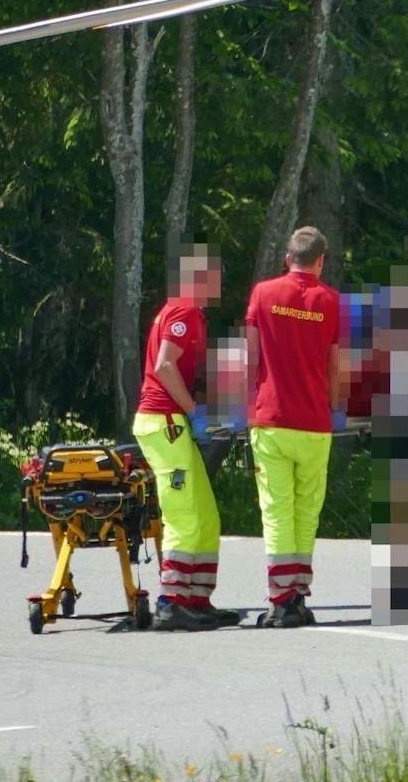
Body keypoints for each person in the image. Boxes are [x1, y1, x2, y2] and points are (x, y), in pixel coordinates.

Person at [132, 246, 239, 631]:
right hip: (165, 421)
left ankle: (196, 598)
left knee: (205, 515)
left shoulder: (187, 313)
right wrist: (193, 412)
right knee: (183, 514)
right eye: (216, 277)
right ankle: (171, 601)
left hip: (170, 420)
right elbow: (163, 365)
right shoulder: (184, 312)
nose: (220, 285)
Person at [245, 226, 342, 628]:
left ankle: (281, 599)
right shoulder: (331, 301)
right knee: (307, 511)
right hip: (315, 423)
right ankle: (298, 594)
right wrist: (333, 408)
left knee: (276, 511)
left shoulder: (263, 294)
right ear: (320, 261)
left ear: (288, 258)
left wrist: (247, 404)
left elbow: (251, 357)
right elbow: (334, 366)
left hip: (272, 419)